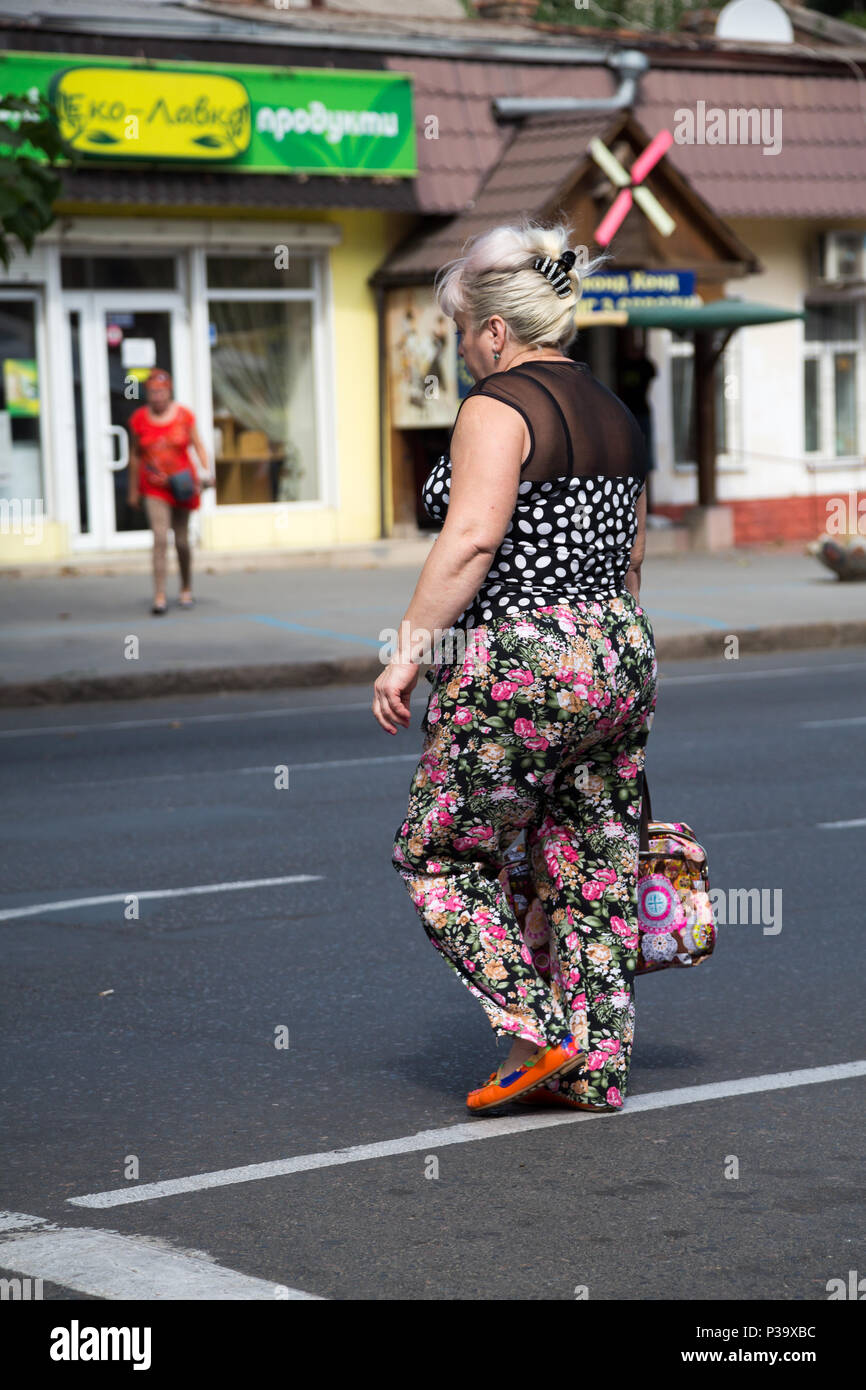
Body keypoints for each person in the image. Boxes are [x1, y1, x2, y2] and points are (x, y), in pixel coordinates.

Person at [375, 220, 658, 1114]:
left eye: (463, 332)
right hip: (619, 647)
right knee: (594, 867)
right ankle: (599, 1067)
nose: (462, 351)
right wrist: (619, 671)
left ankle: (538, 1028)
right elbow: (634, 558)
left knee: (438, 852)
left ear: (496, 330)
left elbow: (473, 537)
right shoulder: (619, 413)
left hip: (524, 658)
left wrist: (407, 653)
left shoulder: (498, 408)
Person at [127, 369, 214, 615]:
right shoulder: (140, 419)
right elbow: (135, 456)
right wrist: (133, 491)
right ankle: (160, 595)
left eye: (161, 391)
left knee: (183, 541)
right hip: (154, 488)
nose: (157, 397)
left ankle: (186, 587)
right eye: (153, 392)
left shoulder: (184, 416)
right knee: (160, 537)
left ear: (170, 391)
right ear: (147, 393)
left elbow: (198, 446)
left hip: (182, 486)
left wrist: (206, 472)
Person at [618, 329, 657, 513]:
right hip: (626, 415)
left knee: (645, 461)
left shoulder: (645, 366)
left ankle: (647, 508)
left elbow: (652, 371)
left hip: (641, 414)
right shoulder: (622, 365)